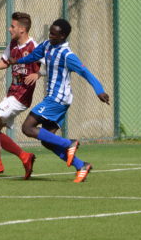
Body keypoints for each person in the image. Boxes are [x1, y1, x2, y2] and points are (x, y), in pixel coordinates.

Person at [8, 18, 110, 183]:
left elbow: (85, 73)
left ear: (63, 36)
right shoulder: (47, 45)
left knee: (27, 127)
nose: (50, 36)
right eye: (50, 32)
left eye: (54, 34)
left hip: (57, 98)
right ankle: (81, 165)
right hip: (56, 98)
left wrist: (99, 91)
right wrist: (17, 61)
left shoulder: (67, 55)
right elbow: (35, 55)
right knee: (47, 140)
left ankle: (69, 143)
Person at [0, 12, 43, 180]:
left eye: (12, 26)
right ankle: (25, 157)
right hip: (12, 93)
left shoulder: (34, 46)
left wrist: (38, 74)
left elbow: (49, 64)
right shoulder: (13, 44)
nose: (9, 29)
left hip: (21, 96)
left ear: (22, 29)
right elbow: (5, 62)